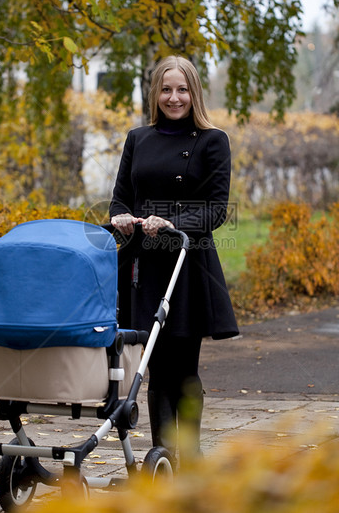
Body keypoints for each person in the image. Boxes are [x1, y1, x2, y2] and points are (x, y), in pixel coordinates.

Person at [109, 55, 238, 461]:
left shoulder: (212, 140)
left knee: (183, 367)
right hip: (141, 266)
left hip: (186, 263)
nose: (174, 97)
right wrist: (121, 219)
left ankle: (192, 456)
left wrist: (169, 222)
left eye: (182, 89)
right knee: (154, 368)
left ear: (194, 92)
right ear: (155, 93)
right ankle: (161, 458)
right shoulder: (137, 138)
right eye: (166, 89)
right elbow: (119, 198)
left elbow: (217, 209)